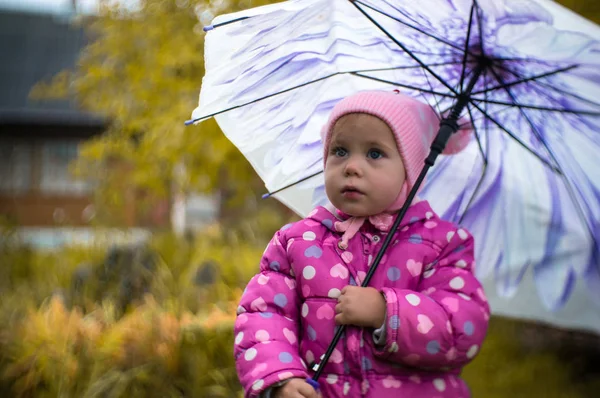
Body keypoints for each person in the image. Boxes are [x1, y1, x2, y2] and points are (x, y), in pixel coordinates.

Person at [234, 90, 490, 398]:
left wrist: (387, 311)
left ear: (410, 171)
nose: (352, 166)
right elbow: (264, 314)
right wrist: (281, 378)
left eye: (374, 154)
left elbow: (461, 328)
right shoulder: (297, 243)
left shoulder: (442, 245)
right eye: (340, 151)